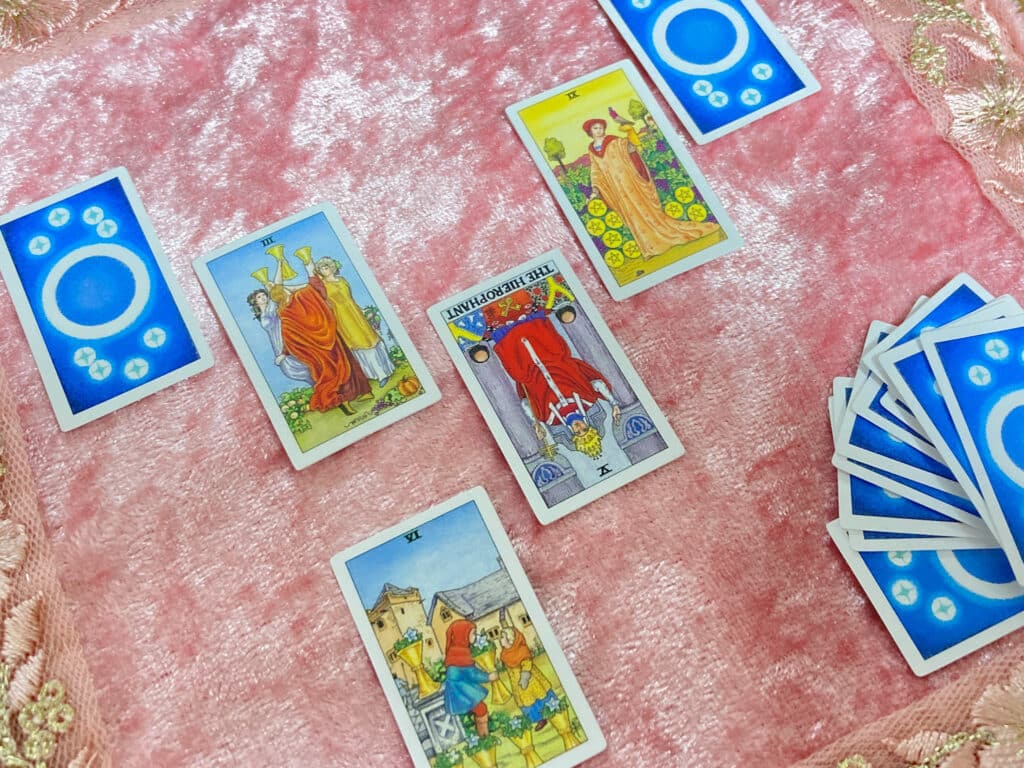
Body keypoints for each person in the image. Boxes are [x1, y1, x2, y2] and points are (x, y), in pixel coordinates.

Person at [491, 308, 631, 487]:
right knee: (539, 330)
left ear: (573, 435)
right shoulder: (587, 399)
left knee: (515, 363)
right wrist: (613, 403)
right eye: (585, 429)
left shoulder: (548, 417)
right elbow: (597, 383)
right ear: (589, 426)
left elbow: (526, 402)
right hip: (550, 352)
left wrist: (535, 423)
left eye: (578, 433)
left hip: (526, 366)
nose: (579, 428)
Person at [583, 117, 718, 259]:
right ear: (590, 132)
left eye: (600, 127)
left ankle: (662, 238)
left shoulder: (615, 141)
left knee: (644, 209)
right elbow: (596, 171)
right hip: (617, 190)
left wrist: (631, 134)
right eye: (595, 128)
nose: (599, 130)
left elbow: (631, 148)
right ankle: (648, 247)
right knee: (632, 216)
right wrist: (595, 191)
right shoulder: (592, 150)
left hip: (630, 182)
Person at [263, 262, 371, 414]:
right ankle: (344, 400)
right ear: (285, 292)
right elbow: (317, 289)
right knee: (340, 370)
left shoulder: (284, 312)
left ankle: (359, 394)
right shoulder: (300, 297)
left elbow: (289, 337)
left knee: (334, 372)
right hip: (327, 341)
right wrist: (304, 273)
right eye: (286, 289)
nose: (289, 289)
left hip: (318, 348)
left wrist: (285, 353)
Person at [305, 257, 395, 388]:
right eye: (322, 269)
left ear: (332, 267)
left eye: (326, 267)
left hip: (355, 313)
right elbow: (314, 289)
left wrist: (362, 310)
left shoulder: (342, 280)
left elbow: (350, 298)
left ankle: (387, 368)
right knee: (359, 342)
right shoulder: (323, 286)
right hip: (342, 318)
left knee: (371, 339)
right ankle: (379, 374)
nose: (325, 270)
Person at [443, 620, 498, 737]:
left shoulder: (457, 651)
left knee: (480, 709)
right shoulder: (460, 654)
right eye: (473, 633)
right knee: (481, 709)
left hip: (461, 688)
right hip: (460, 691)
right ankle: (484, 736)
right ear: (462, 636)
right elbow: (472, 674)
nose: (476, 636)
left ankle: (483, 734)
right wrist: (488, 677)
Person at [246, 289, 313, 385]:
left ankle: (319, 383)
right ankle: (315, 384)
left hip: (284, 334)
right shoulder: (262, 314)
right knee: (288, 368)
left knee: (299, 361)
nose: (263, 297)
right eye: (259, 297)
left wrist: (270, 288)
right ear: (255, 301)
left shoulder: (272, 306)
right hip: (276, 341)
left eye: (263, 295)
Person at [499, 627, 555, 731]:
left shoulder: (521, 650)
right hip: (517, 683)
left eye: (502, 637)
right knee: (527, 702)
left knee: (539, 695)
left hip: (530, 680)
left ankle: (551, 710)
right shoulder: (504, 654)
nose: (500, 639)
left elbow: (527, 663)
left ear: (509, 639)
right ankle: (540, 719)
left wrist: (524, 676)